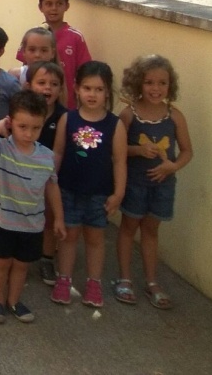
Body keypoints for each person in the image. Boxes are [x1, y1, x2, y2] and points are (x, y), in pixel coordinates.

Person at [0, 90, 66, 324]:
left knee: (21, 266)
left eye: (36, 128)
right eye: (22, 126)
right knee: (1, 263)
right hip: (3, 220)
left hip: (32, 224)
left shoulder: (46, 156)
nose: (29, 133)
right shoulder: (3, 148)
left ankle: (14, 301)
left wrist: (58, 218)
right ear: (11, 122)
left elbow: (52, 187)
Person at [114, 55, 193, 309]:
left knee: (151, 231)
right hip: (135, 183)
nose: (156, 89)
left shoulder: (175, 116)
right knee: (128, 228)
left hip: (163, 186)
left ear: (170, 86)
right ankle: (125, 278)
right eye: (149, 82)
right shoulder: (129, 115)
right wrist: (137, 150)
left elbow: (187, 151)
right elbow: (116, 150)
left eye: (162, 83)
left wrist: (173, 166)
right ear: (138, 83)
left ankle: (151, 282)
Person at [51, 61, 127, 308]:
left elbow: (119, 162)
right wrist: (51, 182)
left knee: (95, 239)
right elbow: (59, 152)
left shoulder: (115, 125)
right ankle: (64, 280)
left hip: (99, 195)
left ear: (107, 92)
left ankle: (94, 283)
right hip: (68, 190)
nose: (92, 94)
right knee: (68, 237)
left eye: (99, 89)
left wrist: (118, 193)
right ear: (76, 89)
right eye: (87, 88)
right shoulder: (67, 119)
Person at [21, 61, 69, 285]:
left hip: (49, 177)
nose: (47, 88)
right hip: (20, 176)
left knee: (49, 218)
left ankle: (47, 259)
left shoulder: (64, 117)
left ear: (61, 88)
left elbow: (59, 152)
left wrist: (49, 179)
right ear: (29, 85)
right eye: (41, 83)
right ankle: (17, 253)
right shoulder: (21, 111)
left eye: (54, 84)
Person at [26, 0, 92, 109]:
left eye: (59, 3)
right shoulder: (34, 35)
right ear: (40, 7)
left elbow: (84, 72)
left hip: (68, 104)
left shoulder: (75, 37)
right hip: (35, 103)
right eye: (49, 4)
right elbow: (25, 67)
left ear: (67, 6)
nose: (54, 8)